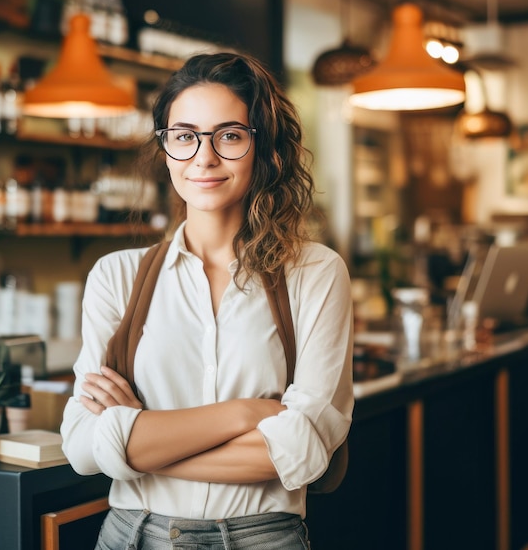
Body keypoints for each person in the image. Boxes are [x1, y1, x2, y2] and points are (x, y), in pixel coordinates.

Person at [61, 51, 354, 549]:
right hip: (131, 537)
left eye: (230, 135)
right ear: (167, 147)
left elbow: (303, 452)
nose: (204, 156)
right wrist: (244, 415)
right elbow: (84, 446)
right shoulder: (116, 276)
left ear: (264, 147)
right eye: (184, 136)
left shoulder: (316, 272)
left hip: (261, 539)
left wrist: (136, 440)